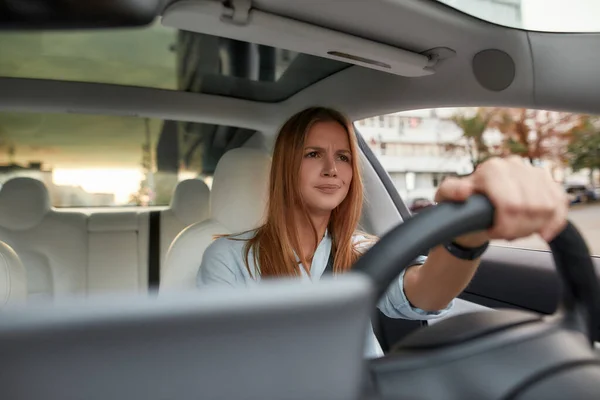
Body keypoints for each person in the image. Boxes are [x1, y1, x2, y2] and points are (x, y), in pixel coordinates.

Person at [197, 107, 568, 358]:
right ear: (285, 167)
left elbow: (425, 292)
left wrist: (468, 237)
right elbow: (222, 363)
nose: (332, 169)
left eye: (343, 157)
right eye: (313, 154)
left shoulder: (363, 250)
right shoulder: (229, 257)